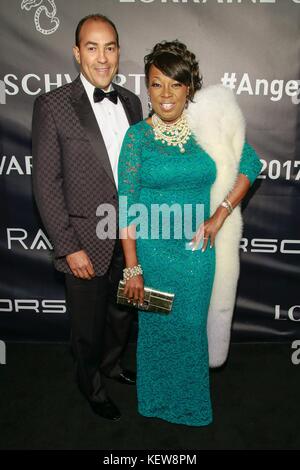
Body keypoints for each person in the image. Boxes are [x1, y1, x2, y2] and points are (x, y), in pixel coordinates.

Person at [118, 40, 263, 426]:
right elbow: (127, 202)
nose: (166, 95)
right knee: (155, 328)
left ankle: (190, 404)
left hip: (197, 252)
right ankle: (154, 402)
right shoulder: (137, 139)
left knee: (189, 327)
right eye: (156, 84)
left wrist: (220, 214)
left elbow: (251, 162)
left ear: (189, 88)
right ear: (147, 88)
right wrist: (132, 266)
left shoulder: (207, 131)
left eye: (175, 84)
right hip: (151, 252)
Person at [32, 14, 143, 421]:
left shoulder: (131, 102)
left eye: (110, 47)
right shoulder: (53, 104)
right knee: (87, 326)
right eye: (92, 48)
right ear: (77, 53)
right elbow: (46, 184)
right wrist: (68, 246)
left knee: (121, 313)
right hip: (82, 239)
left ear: (118, 52)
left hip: (128, 235)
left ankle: (112, 364)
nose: (102, 57)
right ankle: (90, 384)